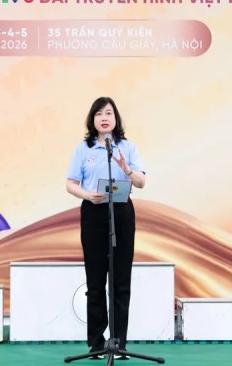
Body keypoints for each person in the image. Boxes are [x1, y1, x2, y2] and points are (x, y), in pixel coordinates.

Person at [66, 97, 146, 358]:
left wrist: (126, 169)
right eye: (99, 113)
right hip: (94, 212)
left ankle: (119, 342)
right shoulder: (84, 148)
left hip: (121, 212)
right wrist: (88, 195)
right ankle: (97, 343)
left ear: (115, 118)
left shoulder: (127, 147)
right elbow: (70, 183)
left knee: (121, 280)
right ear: (93, 119)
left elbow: (141, 182)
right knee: (96, 280)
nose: (104, 118)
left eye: (109, 113)